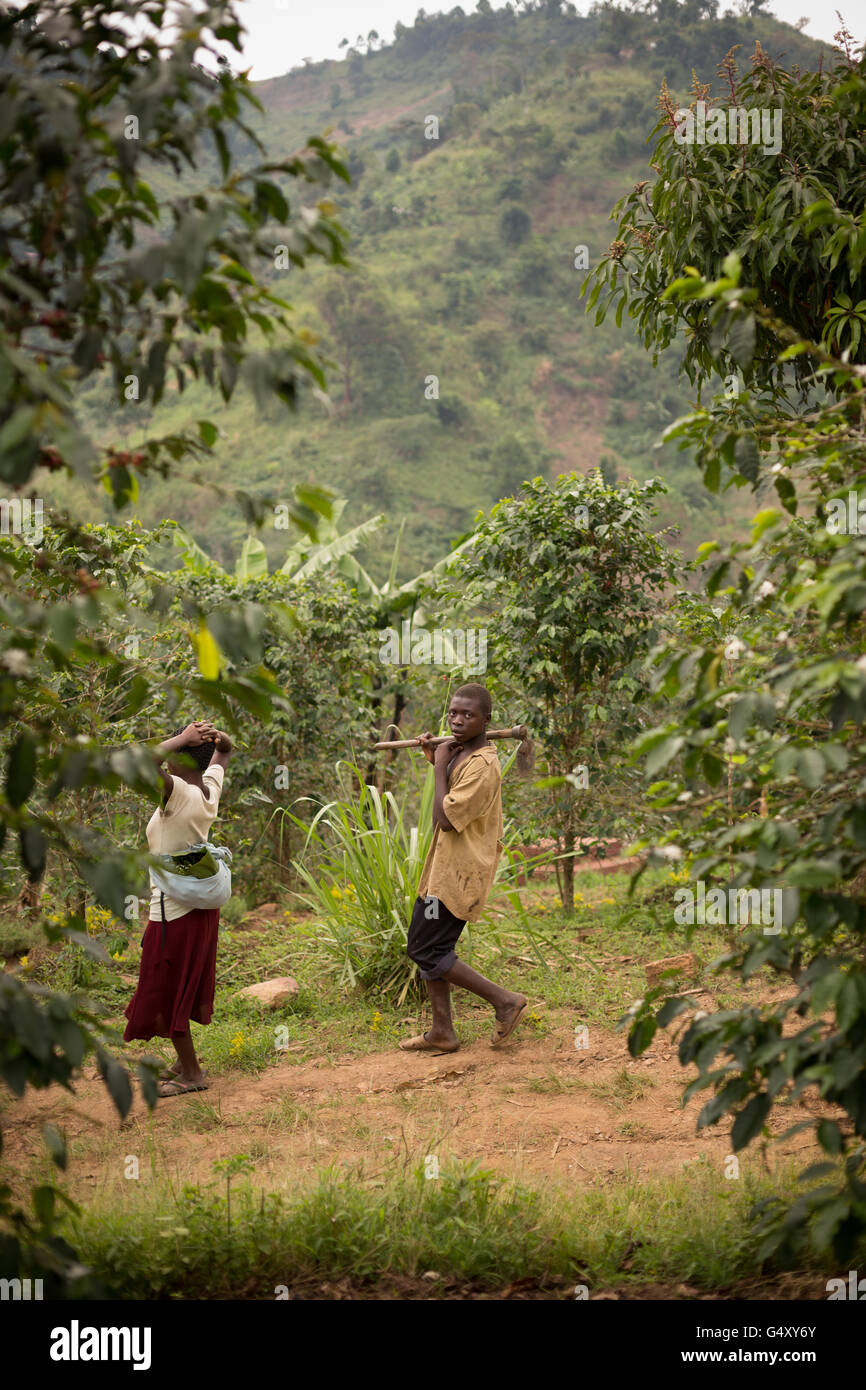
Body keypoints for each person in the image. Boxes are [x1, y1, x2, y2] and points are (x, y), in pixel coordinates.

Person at [400, 683, 528, 1055]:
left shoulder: (485, 765)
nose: (457, 720)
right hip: (442, 867)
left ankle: (505, 1001)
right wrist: (434, 757)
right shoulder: (464, 754)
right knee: (432, 945)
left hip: (460, 871)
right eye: (453, 713)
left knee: (425, 948)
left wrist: (439, 766)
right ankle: (442, 1031)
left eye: (468, 715)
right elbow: (454, 785)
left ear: (486, 720)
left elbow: (445, 818)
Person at [123, 719, 232, 1097]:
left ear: (185, 758)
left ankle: (192, 1072)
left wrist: (184, 737)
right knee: (182, 982)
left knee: (167, 990)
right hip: (199, 909)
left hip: (173, 912)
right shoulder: (208, 789)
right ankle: (182, 1063)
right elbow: (224, 753)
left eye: (176, 754)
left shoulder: (180, 792)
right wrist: (220, 741)